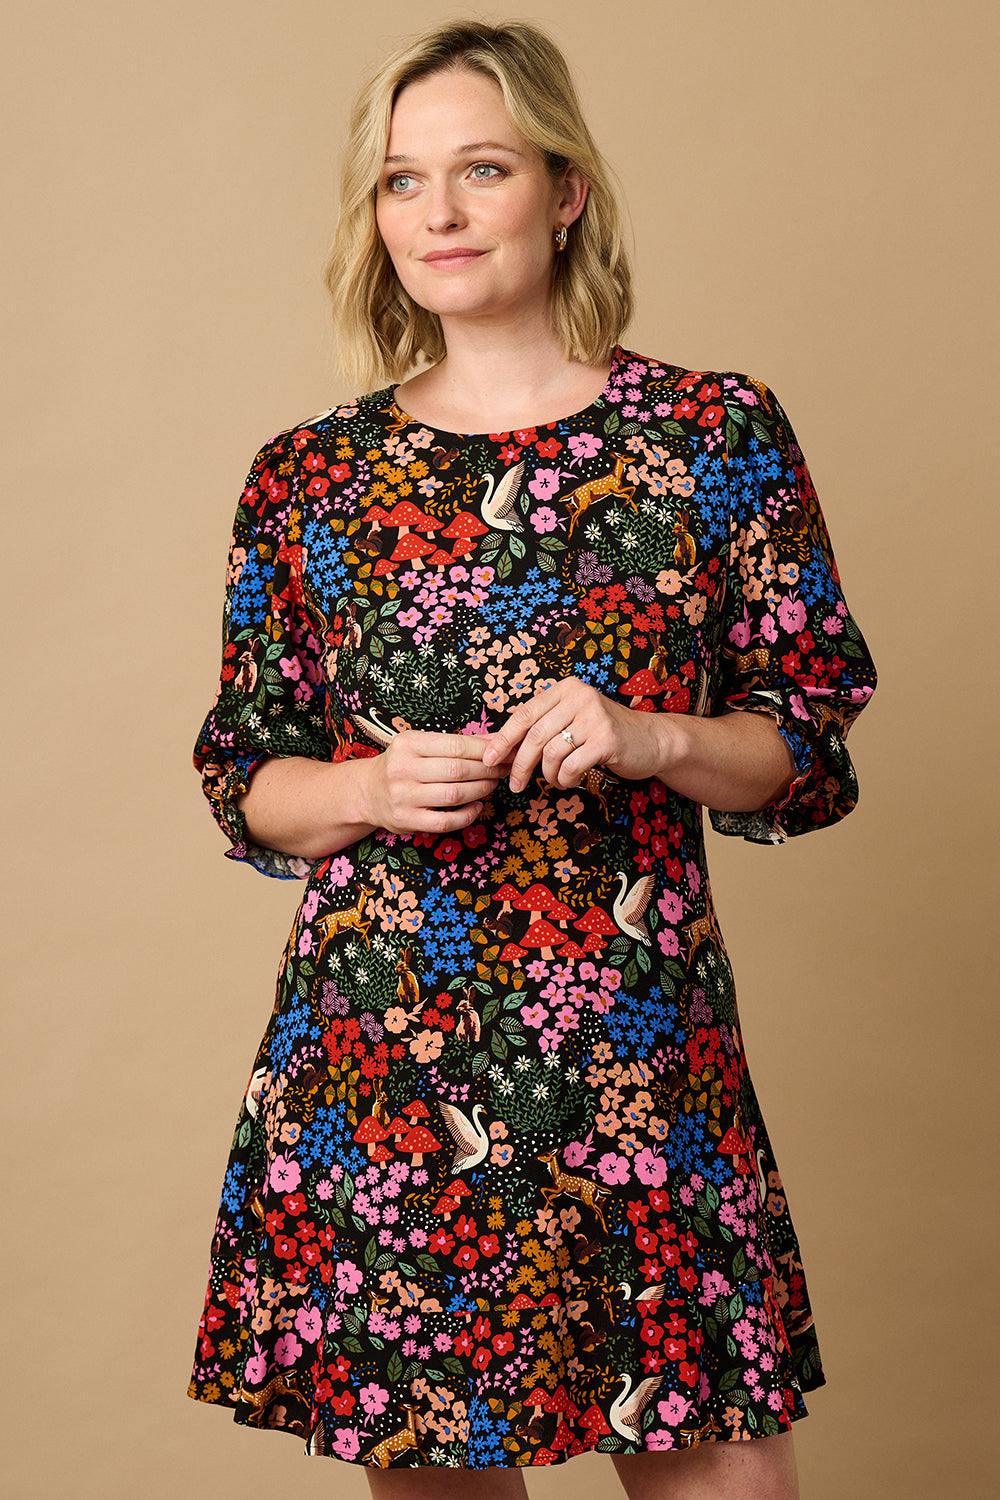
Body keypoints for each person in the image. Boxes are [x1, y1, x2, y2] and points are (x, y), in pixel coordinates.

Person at [188, 20, 876, 1500]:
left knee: (719, 1471)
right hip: (389, 1054)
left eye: (479, 169)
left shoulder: (714, 434)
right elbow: (247, 772)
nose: (434, 214)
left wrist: (657, 736)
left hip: (638, 1053)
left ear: (563, 190)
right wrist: (365, 789)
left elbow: (807, 746)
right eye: (400, 181)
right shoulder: (310, 478)